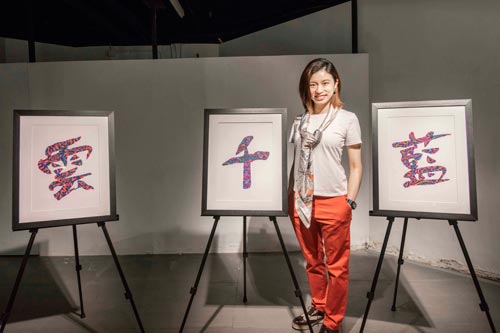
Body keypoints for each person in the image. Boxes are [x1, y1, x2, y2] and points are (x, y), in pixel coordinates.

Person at [288, 58, 362, 333]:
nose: (319, 89)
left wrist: (349, 201)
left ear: (335, 85)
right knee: (312, 259)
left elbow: (356, 165)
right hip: (302, 201)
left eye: (325, 83)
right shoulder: (300, 121)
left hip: (334, 202)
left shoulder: (347, 119)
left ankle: (333, 321)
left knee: (338, 267)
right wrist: (290, 198)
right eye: (313, 84)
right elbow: (294, 162)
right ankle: (319, 304)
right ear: (306, 88)